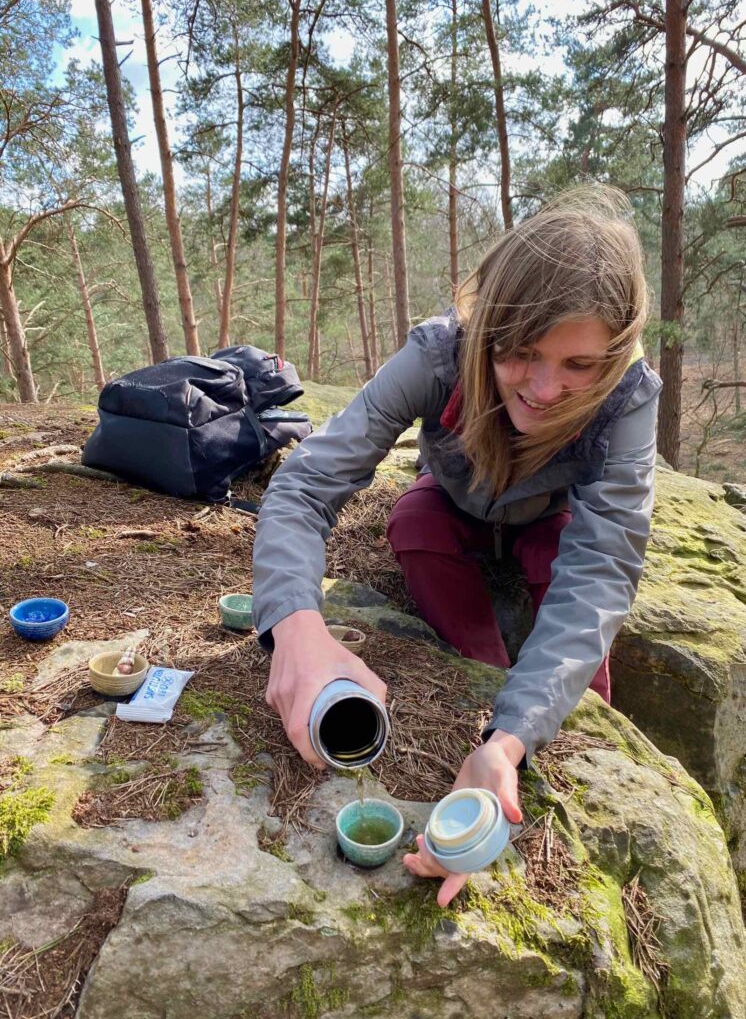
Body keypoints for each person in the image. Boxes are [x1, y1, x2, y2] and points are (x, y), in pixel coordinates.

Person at [252, 185, 661, 907]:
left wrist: (509, 741)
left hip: (550, 519)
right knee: (415, 523)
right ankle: (484, 671)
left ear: (618, 351)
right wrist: (296, 627)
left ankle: (574, 729)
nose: (545, 389)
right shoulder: (439, 355)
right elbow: (307, 484)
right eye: (522, 353)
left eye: (579, 365)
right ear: (488, 327)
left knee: (562, 570)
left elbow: (601, 568)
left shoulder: (627, 397)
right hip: (451, 501)